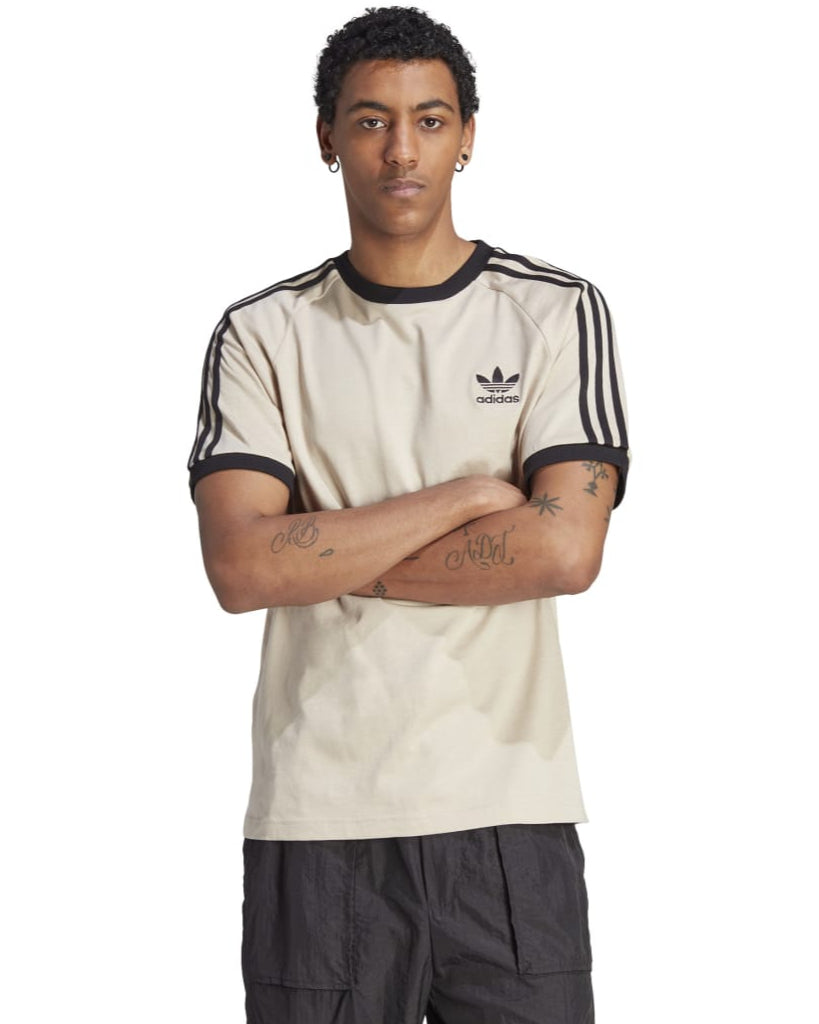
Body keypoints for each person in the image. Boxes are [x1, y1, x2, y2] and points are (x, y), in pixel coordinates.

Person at [188, 7, 629, 1023]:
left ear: (467, 135)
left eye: (429, 120)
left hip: (510, 818)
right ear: (326, 137)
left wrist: (330, 555)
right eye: (370, 120)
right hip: (318, 820)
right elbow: (242, 569)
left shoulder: (554, 312)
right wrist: (468, 499)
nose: (401, 150)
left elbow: (565, 547)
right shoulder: (263, 334)